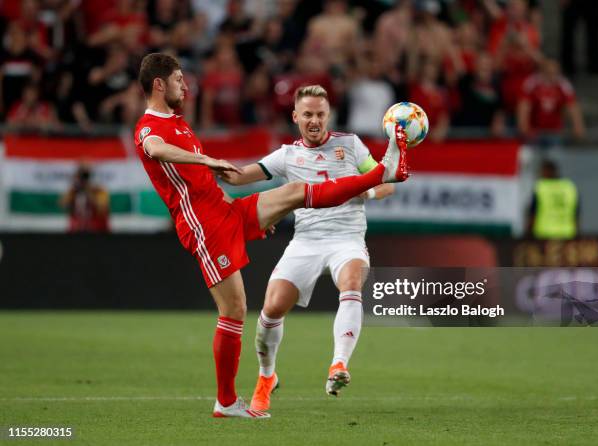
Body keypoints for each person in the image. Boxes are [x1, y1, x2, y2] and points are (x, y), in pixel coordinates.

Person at [133, 53, 410, 418]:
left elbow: (211, 183)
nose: (185, 85)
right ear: (159, 84)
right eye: (179, 79)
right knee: (235, 310)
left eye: (320, 113)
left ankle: (385, 172)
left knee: (295, 195)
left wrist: (259, 212)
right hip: (204, 225)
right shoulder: (151, 126)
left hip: (229, 211)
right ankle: (228, 400)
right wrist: (207, 161)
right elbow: (155, 149)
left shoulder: (179, 123)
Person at [219, 84, 395, 411]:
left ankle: (338, 365)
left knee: (352, 282)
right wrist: (198, 164)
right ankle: (266, 377)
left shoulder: (350, 145)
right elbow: (239, 177)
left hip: (347, 237)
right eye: (308, 114)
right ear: (296, 116)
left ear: (329, 115)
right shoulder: (287, 155)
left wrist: (365, 193)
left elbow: (385, 182)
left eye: (320, 114)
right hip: (306, 242)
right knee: (271, 309)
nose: (314, 120)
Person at [527, 159, 579, 240]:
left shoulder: (541, 187)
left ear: (548, 171)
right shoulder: (569, 187)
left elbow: (532, 214)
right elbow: (576, 216)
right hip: (567, 235)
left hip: (543, 234)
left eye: (542, 171)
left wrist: (528, 235)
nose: (540, 174)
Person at [60, 164, 110, 233]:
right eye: (80, 177)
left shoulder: (99, 190)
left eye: (84, 177)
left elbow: (102, 207)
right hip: (77, 228)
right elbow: (62, 204)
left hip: (97, 229)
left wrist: (88, 192)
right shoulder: (73, 191)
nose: (82, 180)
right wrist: (73, 192)